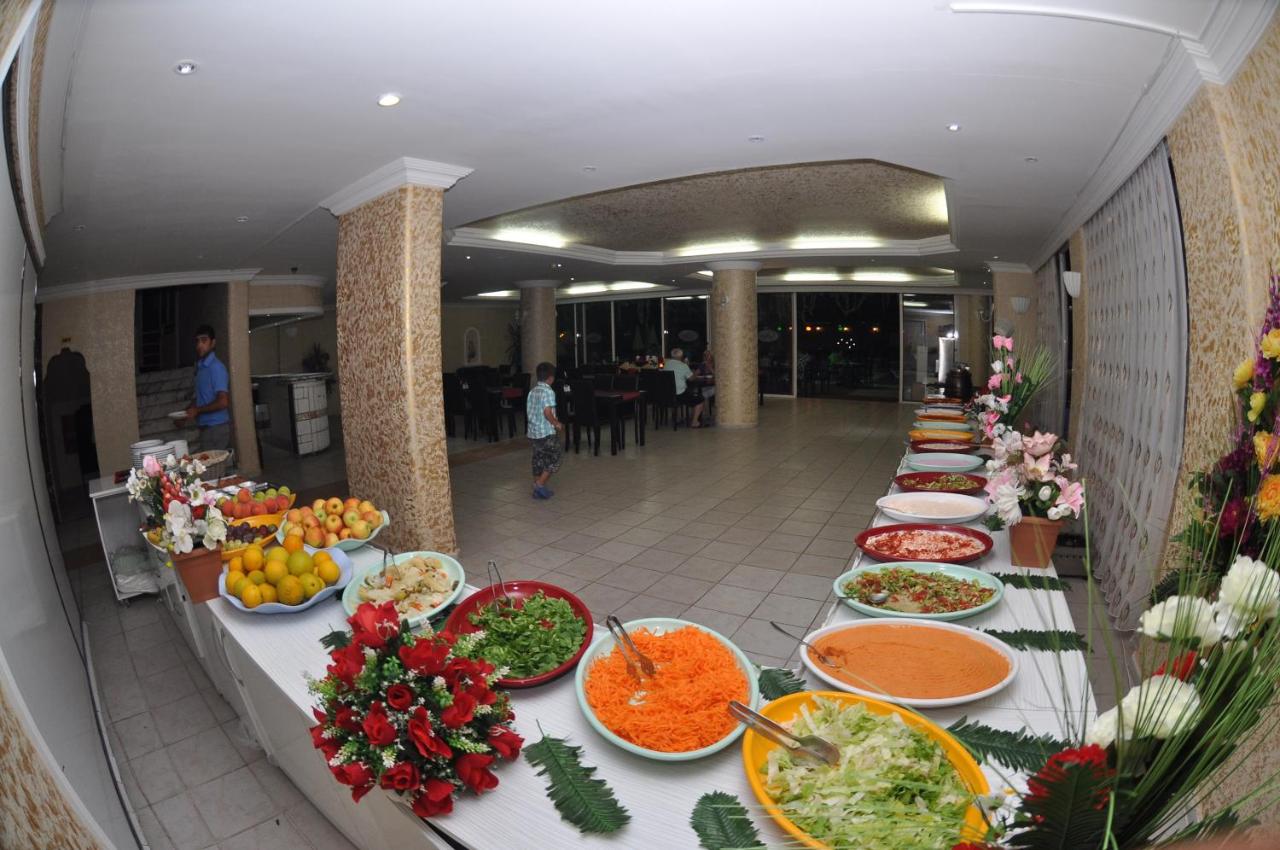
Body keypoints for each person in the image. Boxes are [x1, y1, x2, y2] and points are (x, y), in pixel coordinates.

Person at [184, 324, 232, 451]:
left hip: (216, 429)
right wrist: (185, 414)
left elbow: (223, 402)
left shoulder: (216, 367)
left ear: (213, 343)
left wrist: (198, 410)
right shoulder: (201, 367)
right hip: (206, 429)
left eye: (204, 340)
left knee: (216, 464)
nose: (199, 345)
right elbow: (201, 397)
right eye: (197, 341)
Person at [525, 361, 564, 499]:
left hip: (533, 432)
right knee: (556, 456)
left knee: (538, 459)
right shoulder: (548, 391)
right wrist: (556, 423)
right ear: (551, 378)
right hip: (545, 432)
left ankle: (538, 488)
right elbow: (547, 411)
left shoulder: (532, 391)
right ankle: (539, 485)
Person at [664, 347, 705, 428]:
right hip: (680, 394)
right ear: (681, 356)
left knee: (689, 393)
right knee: (700, 399)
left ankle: (676, 417)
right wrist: (696, 373)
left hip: (667, 394)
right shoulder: (683, 366)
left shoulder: (666, 364)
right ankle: (694, 422)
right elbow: (691, 379)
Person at [696, 349, 717, 425]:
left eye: (708, 355)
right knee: (701, 393)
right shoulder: (702, 365)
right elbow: (695, 374)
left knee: (704, 394)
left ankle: (705, 415)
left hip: (715, 387)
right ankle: (702, 414)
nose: (706, 357)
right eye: (705, 355)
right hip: (704, 385)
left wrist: (710, 368)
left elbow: (717, 376)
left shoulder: (715, 364)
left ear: (711, 357)